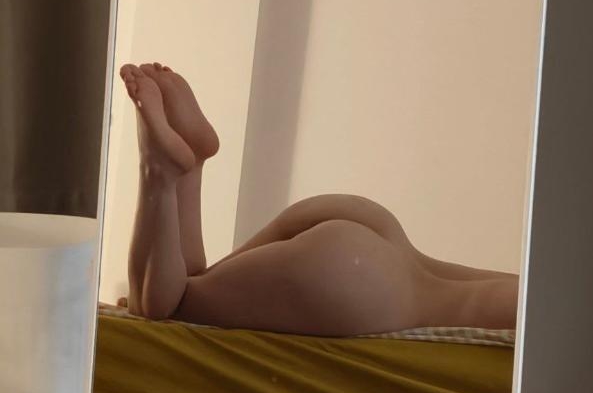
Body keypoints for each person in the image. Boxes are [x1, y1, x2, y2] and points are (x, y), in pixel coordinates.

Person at [119, 63, 518, 336]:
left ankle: (188, 168)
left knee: (182, 292)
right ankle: (160, 172)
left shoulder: (545, 293)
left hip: (375, 234)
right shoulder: (554, 334)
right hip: (364, 280)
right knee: (168, 306)